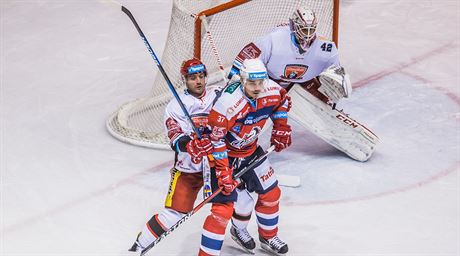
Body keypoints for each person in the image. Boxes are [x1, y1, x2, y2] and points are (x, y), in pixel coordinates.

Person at [198, 58, 291, 256]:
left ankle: (267, 237)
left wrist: (281, 128)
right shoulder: (227, 104)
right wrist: (223, 171)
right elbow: (216, 140)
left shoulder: (271, 90)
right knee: (225, 209)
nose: (257, 88)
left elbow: (282, 103)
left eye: (260, 82)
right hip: (222, 157)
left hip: (250, 150)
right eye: (252, 83)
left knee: (271, 194)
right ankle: (234, 233)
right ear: (242, 81)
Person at [128, 58, 216, 252]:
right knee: (174, 214)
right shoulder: (175, 106)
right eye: (192, 78)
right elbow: (176, 138)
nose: (198, 81)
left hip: (218, 166)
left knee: (238, 201)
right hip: (189, 170)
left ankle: (240, 230)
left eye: (201, 76)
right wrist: (190, 145)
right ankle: (138, 246)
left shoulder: (217, 97)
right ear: (184, 80)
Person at [228, 6, 352, 105]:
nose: (308, 34)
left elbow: (335, 74)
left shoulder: (326, 47)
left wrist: (338, 85)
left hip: (306, 81)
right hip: (272, 81)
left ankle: (327, 107)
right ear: (293, 26)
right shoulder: (274, 39)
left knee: (327, 100)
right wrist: (234, 77)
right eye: (304, 29)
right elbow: (246, 56)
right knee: (250, 94)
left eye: (311, 29)